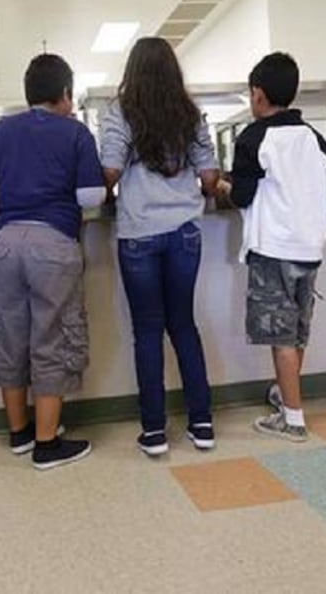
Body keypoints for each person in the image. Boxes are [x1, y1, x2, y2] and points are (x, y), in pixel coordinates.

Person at [0, 53, 105, 470]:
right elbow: (91, 198)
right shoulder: (76, 133)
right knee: (52, 337)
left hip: (5, 243)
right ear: (65, 93)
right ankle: (48, 443)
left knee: (9, 335)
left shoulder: (2, 130)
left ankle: (20, 433)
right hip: (53, 244)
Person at [99, 37, 222, 456]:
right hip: (184, 231)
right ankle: (202, 423)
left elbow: (109, 174)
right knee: (183, 324)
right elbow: (209, 178)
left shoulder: (118, 112)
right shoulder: (188, 114)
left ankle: (154, 432)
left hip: (139, 233)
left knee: (147, 331)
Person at [223, 52, 326, 442]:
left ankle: (292, 418)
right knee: (297, 334)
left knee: (281, 338)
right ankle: (284, 396)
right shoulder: (315, 138)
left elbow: (241, 196)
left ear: (258, 94)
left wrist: (222, 186)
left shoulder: (254, 138)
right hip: (310, 249)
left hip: (273, 249)